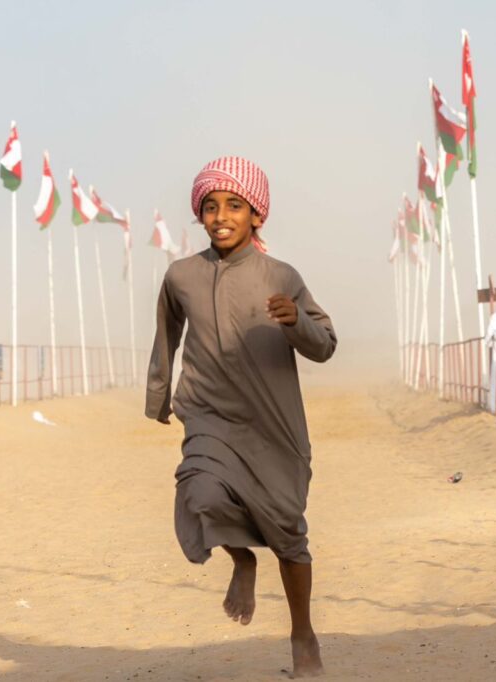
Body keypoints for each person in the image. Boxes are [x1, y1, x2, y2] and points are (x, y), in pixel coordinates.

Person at [146, 156, 336, 678]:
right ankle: (242, 559)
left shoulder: (282, 275)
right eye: (210, 207)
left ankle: (303, 633)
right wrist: (159, 396)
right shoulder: (181, 276)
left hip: (273, 424)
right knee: (200, 492)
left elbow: (325, 345)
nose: (221, 216)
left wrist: (296, 322)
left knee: (287, 532)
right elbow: (166, 337)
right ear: (200, 214)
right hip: (208, 413)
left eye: (234, 205)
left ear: (256, 215)